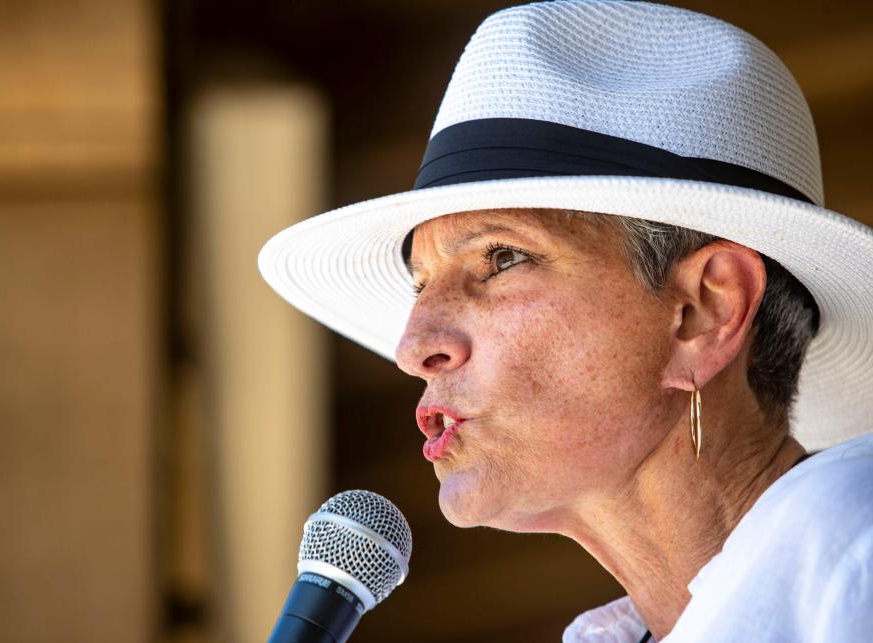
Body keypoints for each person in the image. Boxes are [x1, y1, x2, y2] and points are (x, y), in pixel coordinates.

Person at [258, 1, 873, 640]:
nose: (414, 347)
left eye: (501, 258)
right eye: (419, 285)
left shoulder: (853, 550)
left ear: (703, 310)